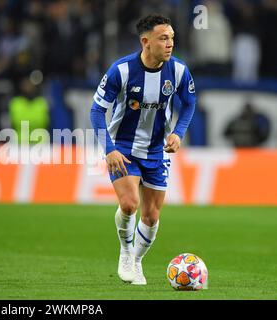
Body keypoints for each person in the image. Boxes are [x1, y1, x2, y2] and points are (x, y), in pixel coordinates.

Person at [90, 14, 196, 285]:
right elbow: (96, 110)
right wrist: (109, 149)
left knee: (151, 215)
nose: (170, 43)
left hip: (157, 151)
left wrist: (178, 132)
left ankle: (136, 261)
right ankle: (125, 252)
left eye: (172, 37)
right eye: (163, 38)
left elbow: (189, 103)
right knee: (129, 204)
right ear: (145, 42)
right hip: (123, 147)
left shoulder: (180, 71)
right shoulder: (121, 70)